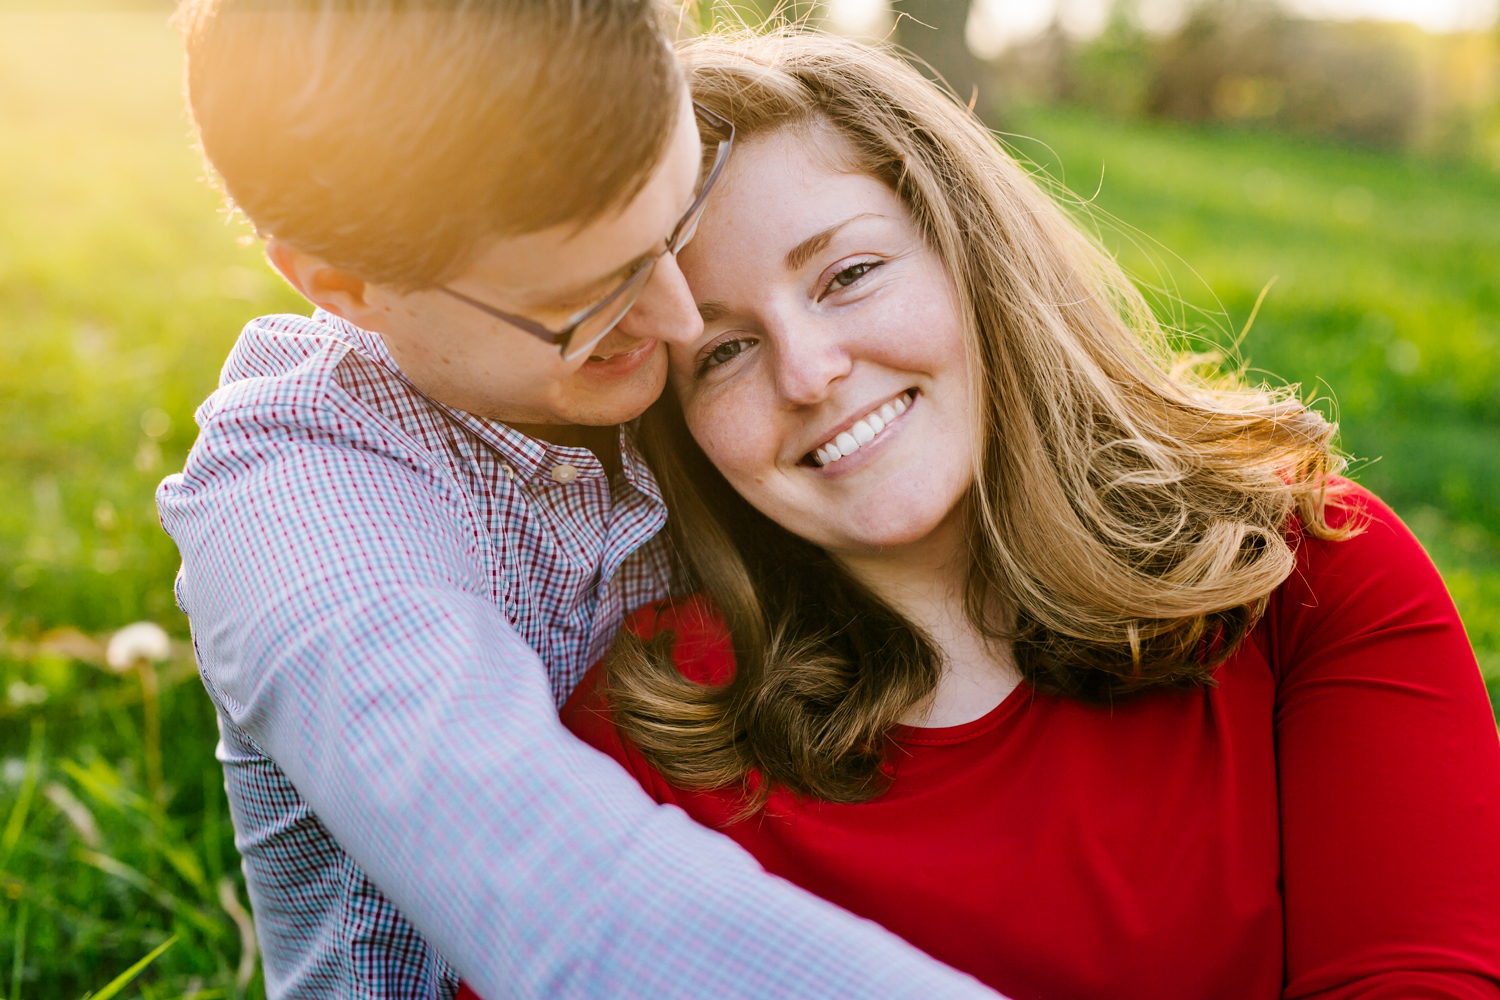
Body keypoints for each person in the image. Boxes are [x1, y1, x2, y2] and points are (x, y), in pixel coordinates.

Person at [512, 30, 1500, 1000]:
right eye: (721, 352)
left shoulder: (1302, 567)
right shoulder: (649, 736)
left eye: (848, 275)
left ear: (973, 255)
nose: (809, 374)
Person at [157, 3, 1002, 998]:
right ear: (343, 286)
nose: (680, 319)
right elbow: (563, 900)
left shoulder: (701, 353)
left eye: (674, 221)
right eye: (591, 298)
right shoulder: (295, 506)